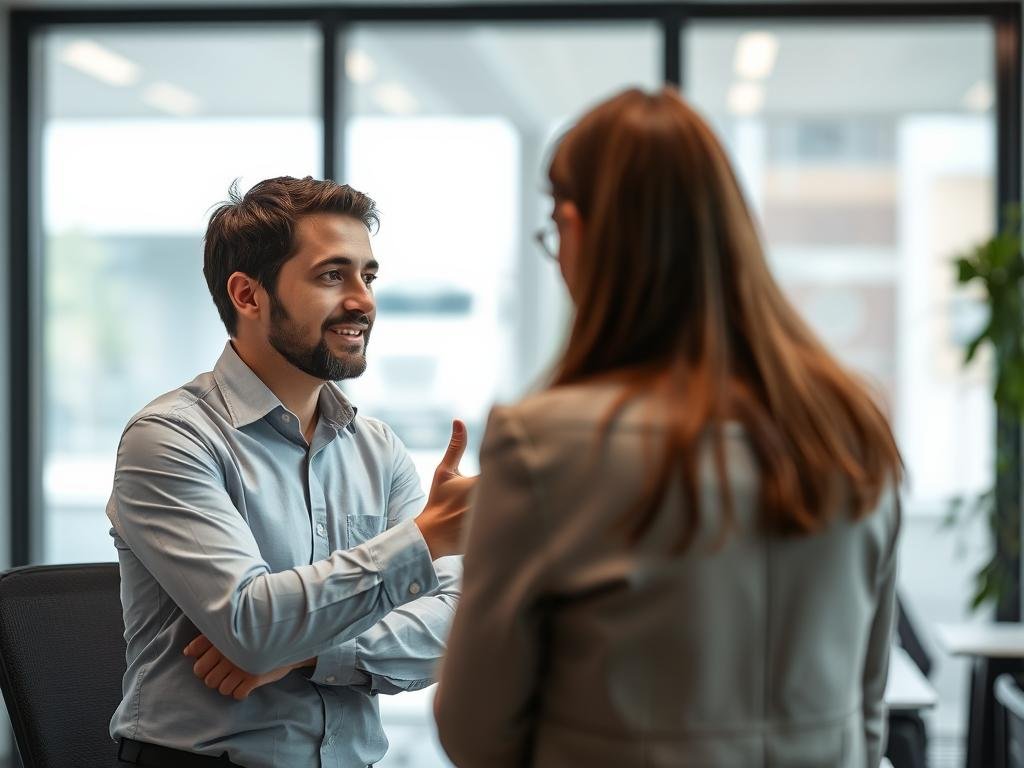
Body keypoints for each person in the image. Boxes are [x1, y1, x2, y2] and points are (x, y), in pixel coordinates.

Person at [434, 88, 902, 768]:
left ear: (577, 226)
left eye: (554, 235)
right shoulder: (852, 428)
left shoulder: (547, 446)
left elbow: (476, 733)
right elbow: (869, 711)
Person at [107, 176, 472, 768]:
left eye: (368, 275)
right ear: (248, 296)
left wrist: (307, 652)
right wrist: (424, 539)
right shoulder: (170, 439)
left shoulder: (376, 448)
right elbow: (252, 625)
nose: (363, 300)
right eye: (333, 276)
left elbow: (465, 627)